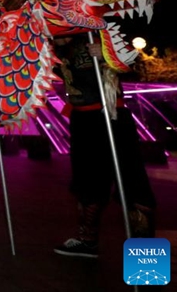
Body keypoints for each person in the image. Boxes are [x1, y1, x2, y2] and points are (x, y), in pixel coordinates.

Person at [53, 34, 156, 258]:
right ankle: (87, 241)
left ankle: (148, 266)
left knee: (133, 184)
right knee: (87, 183)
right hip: (82, 121)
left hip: (111, 116)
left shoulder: (97, 31)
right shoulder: (53, 45)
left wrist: (109, 53)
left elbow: (133, 59)